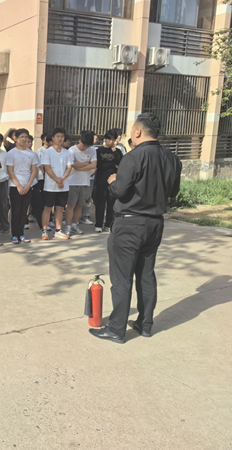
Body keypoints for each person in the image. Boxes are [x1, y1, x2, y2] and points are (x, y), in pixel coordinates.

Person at [89, 113, 182, 344]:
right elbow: (173, 192)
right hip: (155, 223)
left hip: (130, 224)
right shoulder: (172, 159)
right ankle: (145, 324)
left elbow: (119, 191)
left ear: (138, 131)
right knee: (146, 274)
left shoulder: (133, 157)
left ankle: (116, 329)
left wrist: (112, 181)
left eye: (132, 129)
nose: (130, 133)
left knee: (122, 278)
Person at [5, 128, 38, 244]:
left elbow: (33, 171)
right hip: (15, 186)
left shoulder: (32, 154)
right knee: (16, 211)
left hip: (28, 186)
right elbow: (10, 171)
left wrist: (28, 185)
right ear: (16, 139)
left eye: (26, 137)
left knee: (24, 211)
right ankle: (14, 235)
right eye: (21, 137)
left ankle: (21, 234)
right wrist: (18, 185)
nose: (24, 139)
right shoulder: (11, 153)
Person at [40, 127, 73, 240]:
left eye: (62, 137)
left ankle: (58, 230)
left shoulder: (67, 152)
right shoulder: (47, 152)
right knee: (48, 208)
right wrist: (57, 180)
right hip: (50, 185)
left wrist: (62, 179)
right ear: (53, 138)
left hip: (64, 185)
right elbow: (47, 168)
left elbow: (69, 167)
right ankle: (44, 230)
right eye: (58, 136)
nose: (60, 139)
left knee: (60, 208)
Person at [64, 130, 97, 236]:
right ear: (80, 141)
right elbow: (72, 164)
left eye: (87, 146)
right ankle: (68, 226)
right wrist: (86, 164)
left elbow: (94, 165)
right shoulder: (72, 150)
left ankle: (75, 225)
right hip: (72, 181)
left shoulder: (92, 150)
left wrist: (80, 166)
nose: (85, 148)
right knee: (71, 205)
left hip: (84, 182)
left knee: (79, 205)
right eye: (84, 145)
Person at [94, 129, 123, 232]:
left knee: (111, 203)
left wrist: (115, 153)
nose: (111, 142)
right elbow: (99, 165)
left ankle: (109, 224)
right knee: (100, 203)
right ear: (105, 139)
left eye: (113, 140)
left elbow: (121, 164)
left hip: (113, 181)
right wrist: (113, 165)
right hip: (101, 180)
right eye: (109, 139)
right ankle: (98, 224)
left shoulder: (117, 151)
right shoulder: (98, 151)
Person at [31, 133, 51, 231]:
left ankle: (44, 222)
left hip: (45, 178)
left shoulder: (51, 151)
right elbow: (39, 166)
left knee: (42, 200)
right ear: (43, 140)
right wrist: (42, 175)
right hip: (39, 179)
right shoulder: (40, 151)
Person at [80, 133, 100, 225]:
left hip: (90, 177)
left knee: (87, 197)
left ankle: (84, 216)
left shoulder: (94, 150)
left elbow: (95, 164)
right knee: (77, 199)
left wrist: (93, 169)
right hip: (78, 178)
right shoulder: (75, 150)